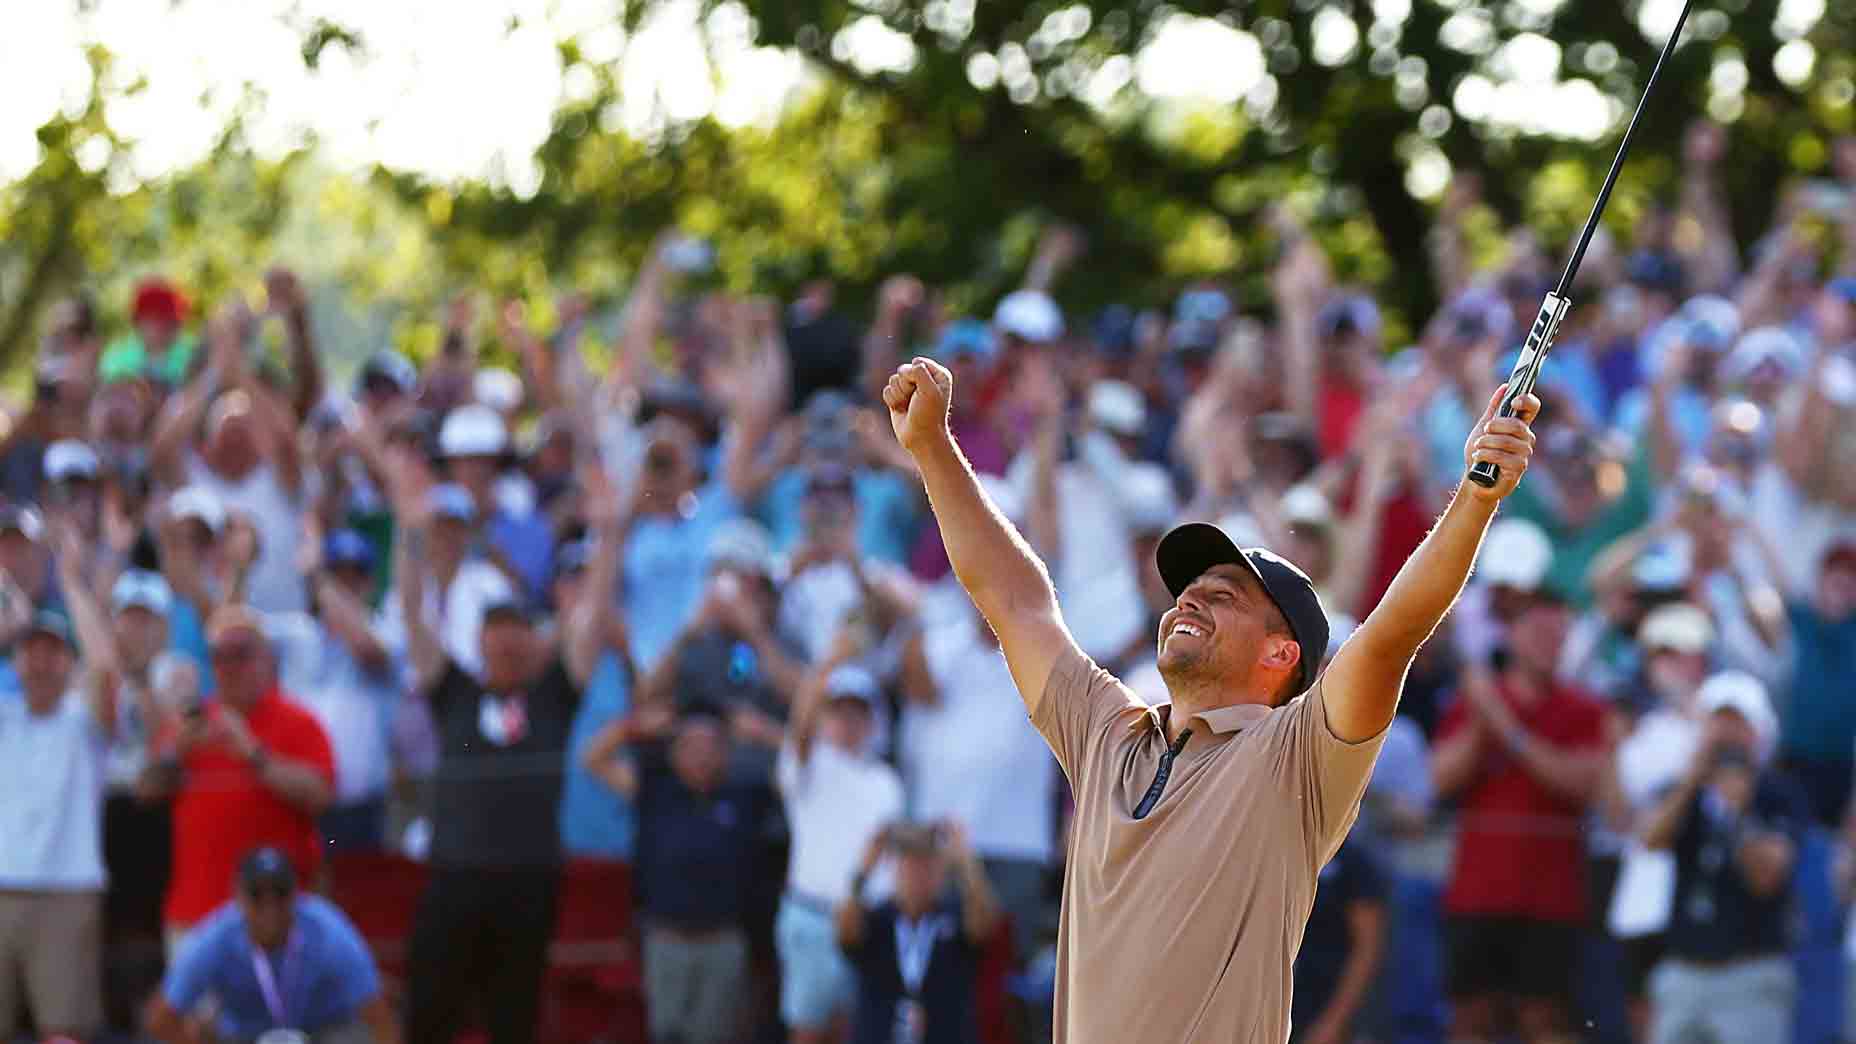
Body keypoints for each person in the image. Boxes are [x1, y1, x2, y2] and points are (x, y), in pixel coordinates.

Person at [879, 353, 1543, 1042]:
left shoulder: (1297, 756)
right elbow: (1015, 601)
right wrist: (932, 447)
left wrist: (1475, 497)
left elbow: (1391, 635)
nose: (1188, 600)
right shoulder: (1108, 730)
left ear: (1281, 654)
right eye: (1187, 592)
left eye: (1222, 596)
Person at [391, 454, 617, 1044]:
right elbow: (412, 614)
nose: (509, 643)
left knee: (513, 1022)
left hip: (528, 884)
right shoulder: (454, 691)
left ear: (533, 640)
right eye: (497, 632)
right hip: (455, 878)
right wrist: (409, 535)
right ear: (481, 641)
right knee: (429, 1017)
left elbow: (592, 618)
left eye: (518, 631)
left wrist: (608, 532)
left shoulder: (554, 695)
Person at [1433, 581, 1606, 1044]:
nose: (1551, 645)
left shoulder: (1584, 709)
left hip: (1553, 898)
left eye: (1558, 636)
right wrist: (1483, 718)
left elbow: (1581, 783)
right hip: (1477, 894)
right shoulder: (1475, 703)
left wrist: (1500, 721)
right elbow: (1441, 778)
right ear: (1510, 635)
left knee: (1546, 1024)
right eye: (1540, 634)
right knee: (1470, 1023)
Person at [153, 604, 335, 956]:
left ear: (267, 658)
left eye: (241, 653)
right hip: (196, 915)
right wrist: (176, 752)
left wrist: (253, 753)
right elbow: (147, 790)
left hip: (275, 917)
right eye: (219, 656)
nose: (230, 666)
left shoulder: (300, 722)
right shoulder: (191, 723)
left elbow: (320, 795)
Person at [1639, 673, 1808, 1044]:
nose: (1726, 735)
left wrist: (1738, 815)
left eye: (1737, 723)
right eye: (1718, 722)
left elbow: (1767, 877)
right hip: (1684, 971)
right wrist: (1692, 781)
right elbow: (1649, 841)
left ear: (1758, 732)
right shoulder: (1684, 790)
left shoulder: (1779, 794)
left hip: (1749, 974)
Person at [774, 663, 905, 1044]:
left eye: (857, 712)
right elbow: (800, 733)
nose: (848, 722)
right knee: (809, 1032)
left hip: (867, 924)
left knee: (854, 1030)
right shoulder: (807, 763)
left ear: (872, 721)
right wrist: (818, 679)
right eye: (839, 711)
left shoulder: (886, 781)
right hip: (813, 918)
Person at [146, 848, 399, 1044]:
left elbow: (379, 1015)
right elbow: (161, 1017)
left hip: (325, 1031)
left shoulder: (328, 930)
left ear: (297, 893)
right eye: (257, 895)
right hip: (245, 1036)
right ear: (238, 896)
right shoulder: (217, 936)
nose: (270, 907)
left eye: (280, 893)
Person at [0, 609, 109, 1043]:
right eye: (31, 652)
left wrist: (71, 580)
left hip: (66, 894)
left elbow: (104, 668)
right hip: (2, 890)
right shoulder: (4, 717)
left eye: (53, 653)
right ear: (16, 661)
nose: (41, 664)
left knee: (63, 1033)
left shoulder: (87, 723)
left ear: (70, 663)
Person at [836, 822, 1000, 1044]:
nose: (916, 876)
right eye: (909, 865)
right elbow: (846, 933)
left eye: (926, 865)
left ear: (940, 870)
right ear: (895, 869)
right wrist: (864, 871)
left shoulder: (954, 917)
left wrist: (967, 864)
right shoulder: (877, 918)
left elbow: (986, 926)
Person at [1289, 836, 1388, 1044]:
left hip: (1322, 1006)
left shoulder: (1353, 862)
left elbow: (1367, 949)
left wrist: (1333, 1022)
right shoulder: (1284, 851)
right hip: (1280, 1004)